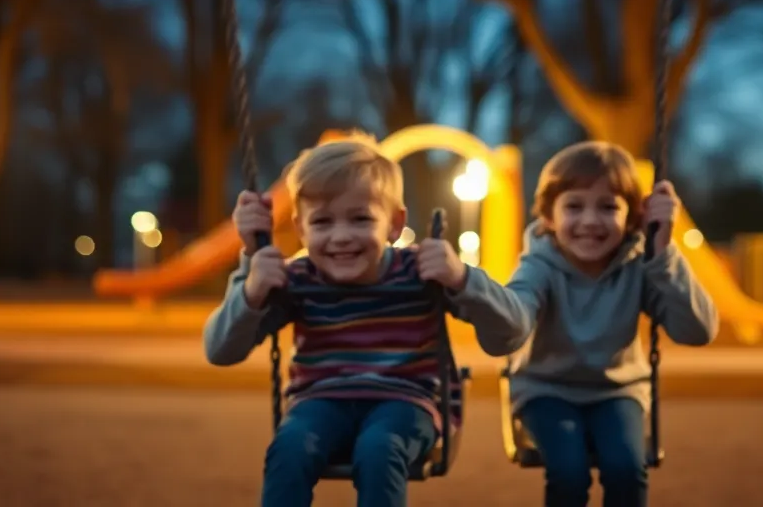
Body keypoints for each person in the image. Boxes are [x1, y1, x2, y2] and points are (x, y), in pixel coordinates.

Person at [203, 134, 529, 507]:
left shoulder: (422, 273)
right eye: (322, 222)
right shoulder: (295, 279)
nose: (341, 236)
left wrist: (462, 278)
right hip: (320, 402)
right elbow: (220, 350)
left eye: (360, 219)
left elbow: (511, 333)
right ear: (301, 229)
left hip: (406, 402)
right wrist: (251, 285)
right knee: (289, 448)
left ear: (395, 223)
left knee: (379, 449)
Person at [479, 141, 719, 507]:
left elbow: (698, 330)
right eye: (574, 206)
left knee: (626, 471)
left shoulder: (641, 265)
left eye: (608, 207)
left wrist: (663, 253)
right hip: (546, 390)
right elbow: (518, 313)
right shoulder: (538, 266)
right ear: (548, 217)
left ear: (633, 217)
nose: (590, 220)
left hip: (617, 392)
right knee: (568, 473)